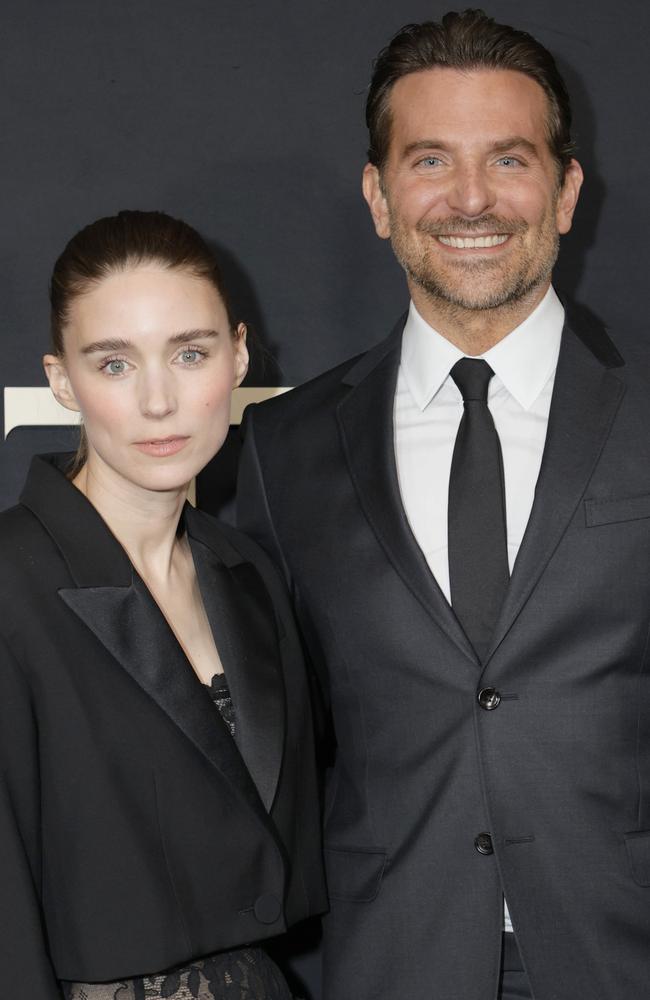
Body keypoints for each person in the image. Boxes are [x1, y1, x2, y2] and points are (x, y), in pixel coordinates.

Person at [237, 9, 650, 1000]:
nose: (470, 198)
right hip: (394, 964)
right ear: (378, 196)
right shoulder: (282, 451)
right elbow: (267, 737)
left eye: (508, 161)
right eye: (429, 162)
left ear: (564, 191)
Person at [0, 209, 326, 1000]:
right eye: (114, 364)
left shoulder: (244, 569)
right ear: (59, 379)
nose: (157, 401)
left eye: (189, 353)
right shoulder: (10, 584)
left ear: (239, 355)